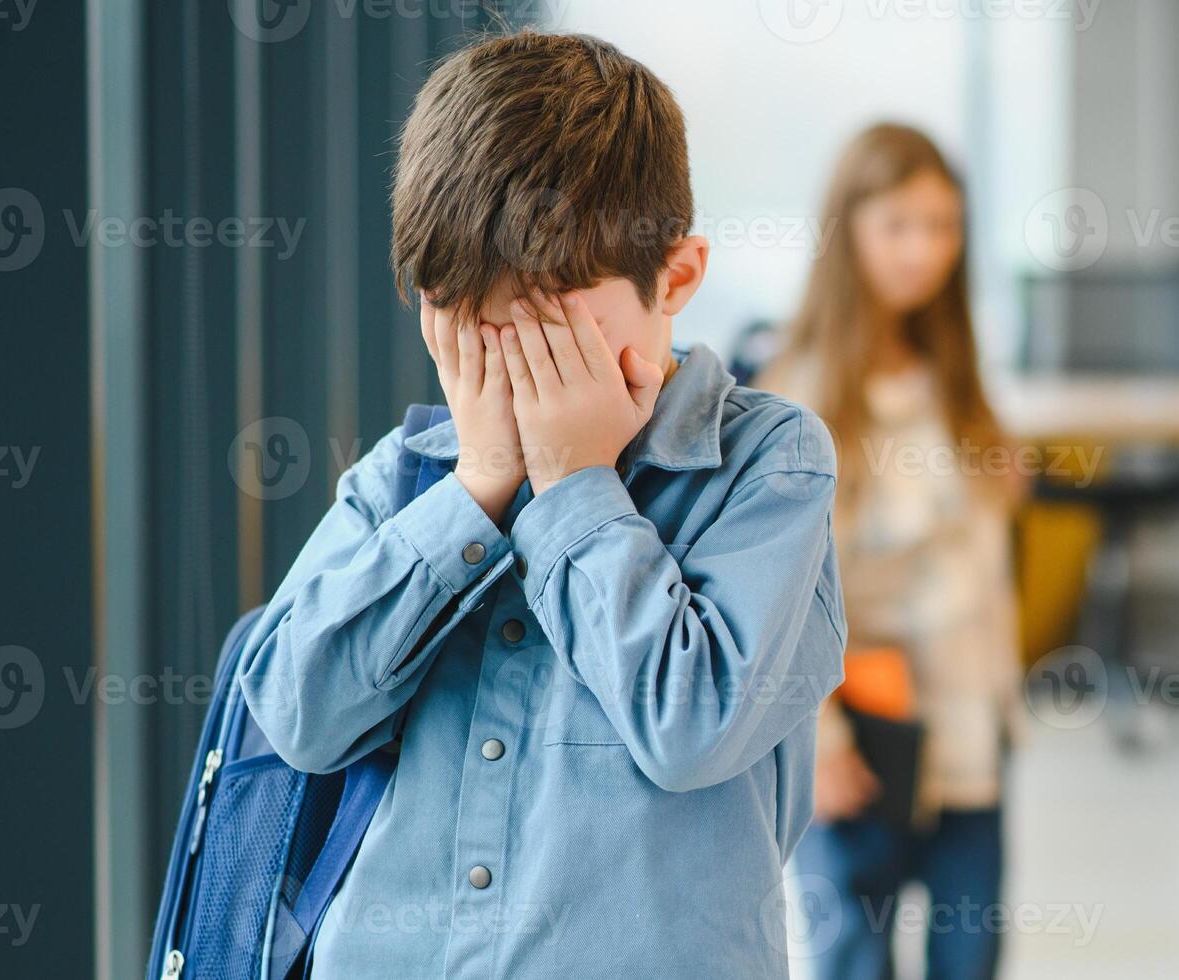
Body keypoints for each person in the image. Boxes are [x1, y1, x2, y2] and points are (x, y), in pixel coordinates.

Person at [238, 30, 848, 979]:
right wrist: (476, 487)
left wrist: (573, 486)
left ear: (675, 278)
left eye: (549, 327)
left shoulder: (768, 464)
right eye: (479, 328)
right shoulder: (414, 470)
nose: (515, 370)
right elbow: (295, 716)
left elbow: (693, 728)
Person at [757, 123, 1024, 980]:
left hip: (971, 722)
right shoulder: (794, 397)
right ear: (850, 231)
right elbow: (780, 593)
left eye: (942, 226)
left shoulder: (954, 376)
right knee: (854, 957)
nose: (924, 251)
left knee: (968, 955)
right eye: (898, 225)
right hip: (863, 735)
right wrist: (818, 739)